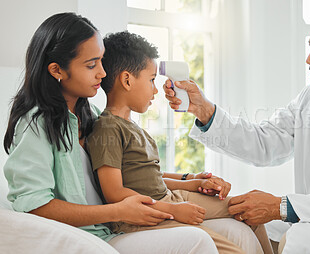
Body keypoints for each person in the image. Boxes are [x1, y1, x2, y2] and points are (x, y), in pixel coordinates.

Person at [2, 12, 261, 254]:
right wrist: (116, 211)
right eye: (92, 65)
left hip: (113, 223)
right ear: (57, 70)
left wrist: (188, 178)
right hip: (91, 236)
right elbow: (35, 205)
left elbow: (132, 171)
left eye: (101, 61)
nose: (103, 73)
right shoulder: (35, 124)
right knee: (199, 239)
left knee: (238, 228)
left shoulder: (90, 115)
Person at [164, 4, 310, 254]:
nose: (309, 59)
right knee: (253, 222)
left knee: (299, 239)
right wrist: (204, 110)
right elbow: (264, 144)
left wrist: (280, 206)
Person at [85, 31, 272, 254]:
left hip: (170, 198)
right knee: (229, 249)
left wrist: (190, 181)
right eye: (152, 80)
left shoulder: (130, 125)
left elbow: (149, 177)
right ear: (127, 80)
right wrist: (173, 210)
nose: (156, 89)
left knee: (250, 209)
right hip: (145, 216)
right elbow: (114, 193)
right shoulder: (108, 128)